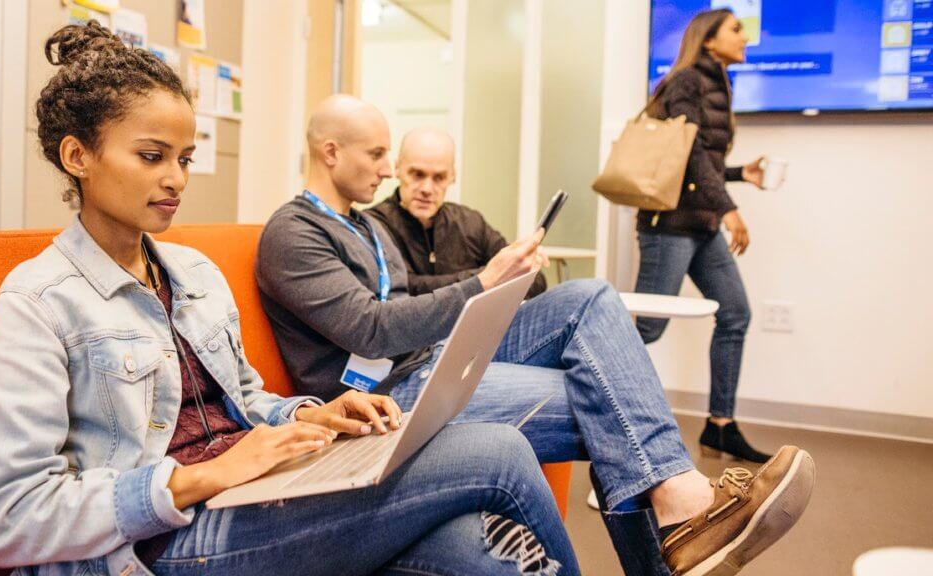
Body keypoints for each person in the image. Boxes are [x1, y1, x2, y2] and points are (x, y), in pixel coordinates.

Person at [0, 22, 581, 576]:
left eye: (184, 158)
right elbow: (9, 518)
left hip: (258, 491)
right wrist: (205, 476)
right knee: (498, 451)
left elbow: (246, 398)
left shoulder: (194, 272)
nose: (176, 177)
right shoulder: (38, 303)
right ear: (78, 156)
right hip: (167, 540)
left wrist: (313, 417)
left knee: (480, 551)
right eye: (152, 157)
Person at [256, 93, 816, 575]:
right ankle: (682, 522)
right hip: (387, 399)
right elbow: (371, 329)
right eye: (379, 155)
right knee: (612, 397)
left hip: (428, 359)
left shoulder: (360, 224)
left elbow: (401, 306)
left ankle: (682, 516)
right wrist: (483, 282)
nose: (387, 171)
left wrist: (493, 290)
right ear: (331, 152)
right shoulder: (292, 231)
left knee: (591, 297)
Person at [637, 8, 773, 463]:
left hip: (700, 223)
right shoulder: (687, 81)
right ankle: (597, 411)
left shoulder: (717, 82)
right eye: (737, 29)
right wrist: (730, 209)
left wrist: (738, 174)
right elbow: (687, 154)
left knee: (735, 313)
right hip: (670, 225)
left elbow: (702, 164)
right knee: (647, 328)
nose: (745, 37)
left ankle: (720, 426)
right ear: (709, 39)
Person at [367, 127, 547, 299]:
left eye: (439, 177)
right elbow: (405, 288)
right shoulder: (373, 225)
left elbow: (535, 282)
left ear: (452, 176)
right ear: (397, 168)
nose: (427, 189)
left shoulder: (470, 222)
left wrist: (521, 264)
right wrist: (491, 274)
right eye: (417, 174)